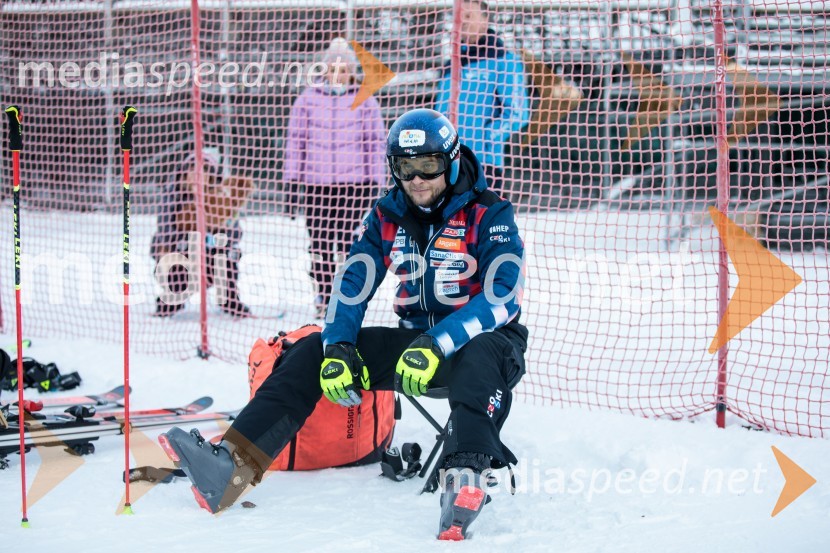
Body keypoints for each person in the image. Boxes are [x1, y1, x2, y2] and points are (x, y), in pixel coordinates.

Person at [159, 109, 528, 540]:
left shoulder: (490, 213)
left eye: (428, 165)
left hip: (484, 346)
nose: (417, 179)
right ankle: (231, 466)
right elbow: (353, 282)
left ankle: (464, 477)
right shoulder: (388, 216)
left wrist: (437, 342)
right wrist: (338, 346)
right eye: (405, 167)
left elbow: (502, 298)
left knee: (483, 353)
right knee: (312, 347)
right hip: (414, 349)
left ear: (449, 161)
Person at [283, 37, 387, 318]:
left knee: (347, 241)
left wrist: (375, 182)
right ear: (324, 69)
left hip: (353, 185)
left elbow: (375, 142)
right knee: (318, 240)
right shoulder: (307, 99)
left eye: (343, 70)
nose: (338, 75)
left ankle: (346, 294)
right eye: (333, 68)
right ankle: (323, 292)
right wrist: (292, 182)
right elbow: (296, 141)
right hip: (316, 185)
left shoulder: (365, 100)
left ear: (352, 72)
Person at [434, 0, 530, 193]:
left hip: (483, 163)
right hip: (444, 163)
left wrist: (490, 135)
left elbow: (518, 113)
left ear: (485, 20)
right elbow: (438, 112)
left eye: (469, 16)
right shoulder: (450, 65)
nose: (463, 22)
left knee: (481, 222)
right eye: (460, 17)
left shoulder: (504, 60)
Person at [150, 149, 253, 318]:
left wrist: (216, 239)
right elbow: (164, 230)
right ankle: (171, 299)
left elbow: (236, 231)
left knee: (228, 257)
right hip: (182, 256)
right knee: (174, 261)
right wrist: (188, 240)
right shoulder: (173, 196)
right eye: (192, 169)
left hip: (210, 258)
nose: (197, 175)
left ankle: (229, 300)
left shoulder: (221, 198)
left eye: (203, 170)